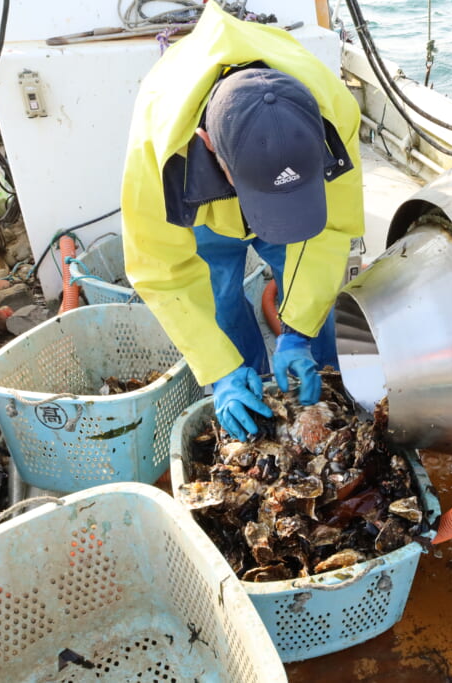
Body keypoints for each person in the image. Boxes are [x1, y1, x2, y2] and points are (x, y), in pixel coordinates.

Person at [121, 1, 364, 442]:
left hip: (304, 200)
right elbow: (161, 270)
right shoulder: (158, 150)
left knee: (312, 301)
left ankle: (321, 382)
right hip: (203, 215)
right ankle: (245, 387)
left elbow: (332, 228)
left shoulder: (336, 111)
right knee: (220, 299)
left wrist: (297, 331)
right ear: (208, 144)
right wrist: (220, 370)